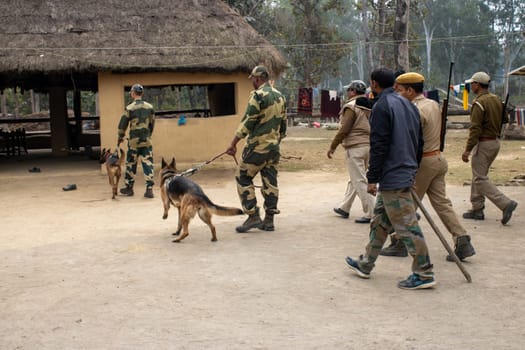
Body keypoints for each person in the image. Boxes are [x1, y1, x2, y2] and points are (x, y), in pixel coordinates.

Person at [345, 68, 436, 290]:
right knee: (380, 223)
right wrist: (413, 168)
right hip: (403, 171)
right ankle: (366, 263)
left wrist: (372, 177)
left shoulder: (383, 106)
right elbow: (419, 142)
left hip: (394, 175)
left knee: (406, 226)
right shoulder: (409, 104)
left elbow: (379, 145)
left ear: (374, 84)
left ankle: (424, 273)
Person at [380, 72, 475, 262]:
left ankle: (399, 241)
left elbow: (409, 139)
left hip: (423, 162)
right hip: (438, 159)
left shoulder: (414, 109)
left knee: (406, 205)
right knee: (442, 203)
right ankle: (462, 238)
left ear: (409, 90)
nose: (397, 94)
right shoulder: (432, 104)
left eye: (399, 90)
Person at [225, 66, 287, 233]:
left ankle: (253, 216)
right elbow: (283, 125)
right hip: (273, 149)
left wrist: (233, 143)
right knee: (270, 182)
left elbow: (248, 122)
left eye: (252, 78)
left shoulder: (257, 96)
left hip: (257, 148)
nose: (251, 81)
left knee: (242, 177)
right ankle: (269, 220)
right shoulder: (280, 96)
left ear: (258, 79)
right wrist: (274, 142)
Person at [461, 72, 518, 224]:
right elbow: (505, 119)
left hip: (484, 143)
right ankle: (477, 208)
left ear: (477, 85)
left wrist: (467, 150)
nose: (471, 86)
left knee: (479, 178)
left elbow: (475, 129)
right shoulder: (496, 99)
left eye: (472, 83)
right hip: (494, 142)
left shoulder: (479, 103)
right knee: (479, 175)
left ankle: (505, 204)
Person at [328, 80, 375, 224]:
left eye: (349, 90)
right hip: (368, 146)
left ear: (353, 91)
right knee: (355, 178)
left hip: (355, 147)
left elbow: (345, 129)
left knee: (359, 180)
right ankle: (345, 207)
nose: (347, 93)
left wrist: (333, 146)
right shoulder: (370, 105)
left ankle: (371, 212)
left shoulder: (351, 106)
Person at [117, 83, 156, 198]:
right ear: (142, 93)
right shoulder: (150, 107)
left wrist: (120, 137)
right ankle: (149, 189)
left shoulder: (129, 108)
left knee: (131, 163)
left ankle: (129, 188)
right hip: (146, 140)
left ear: (133, 94)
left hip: (134, 141)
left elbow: (122, 125)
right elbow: (152, 124)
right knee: (148, 163)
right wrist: (148, 135)